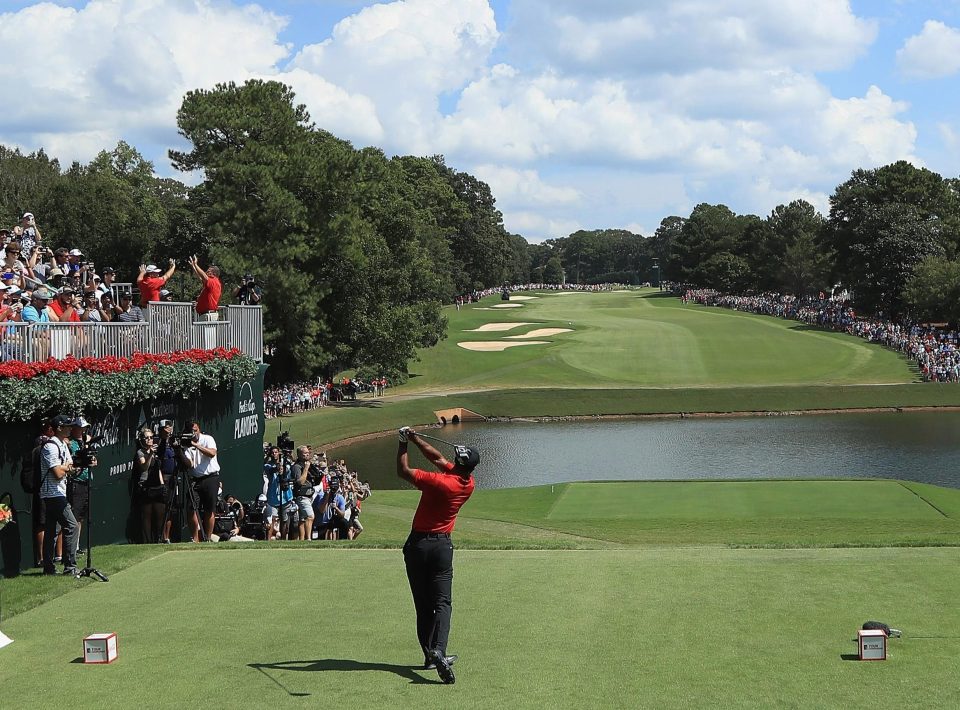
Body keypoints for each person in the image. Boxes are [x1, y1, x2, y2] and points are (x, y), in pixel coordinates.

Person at [396, 426, 480, 684]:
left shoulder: (441, 482)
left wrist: (402, 444)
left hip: (418, 547)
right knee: (443, 603)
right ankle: (438, 651)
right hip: (442, 548)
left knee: (423, 606)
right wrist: (416, 438)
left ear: (458, 463)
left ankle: (431, 654)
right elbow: (436, 458)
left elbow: (403, 472)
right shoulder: (467, 483)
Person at [40, 415, 95, 575]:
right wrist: (70, 468)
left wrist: (83, 464)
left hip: (60, 492)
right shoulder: (50, 446)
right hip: (52, 494)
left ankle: (48, 568)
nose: (71, 428)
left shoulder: (63, 445)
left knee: (52, 531)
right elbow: (57, 472)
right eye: (67, 426)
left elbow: (71, 468)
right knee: (71, 525)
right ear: (58, 428)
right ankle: (70, 567)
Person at [175, 421, 220, 542]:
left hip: (210, 477)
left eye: (195, 430)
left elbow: (212, 453)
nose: (194, 433)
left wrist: (196, 445)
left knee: (209, 509)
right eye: (191, 431)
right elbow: (189, 464)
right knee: (190, 508)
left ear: (199, 429)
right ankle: (195, 538)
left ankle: (208, 538)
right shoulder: (186, 445)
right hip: (195, 480)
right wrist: (180, 450)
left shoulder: (208, 439)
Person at [134, 426, 167, 543]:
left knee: (160, 515)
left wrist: (162, 484)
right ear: (141, 440)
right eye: (146, 438)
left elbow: (158, 469)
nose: (149, 440)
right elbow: (144, 467)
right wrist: (149, 455)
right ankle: (147, 542)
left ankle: (160, 540)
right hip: (145, 488)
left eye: (151, 437)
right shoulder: (140, 453)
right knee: (146, 518)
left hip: (157, 487)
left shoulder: (156, 451)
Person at [67, 417, 93, 556]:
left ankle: (76, 547)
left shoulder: (85, 442)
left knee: (80, 517)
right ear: (74, 428)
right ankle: (71, 548)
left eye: (85, 428)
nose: (83, 431)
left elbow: (93, 459)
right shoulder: (70, 443)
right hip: (76, 482)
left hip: (87, 481)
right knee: (74, 516)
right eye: (81, 428)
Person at [290, 445, 316, 540]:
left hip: (309, 495)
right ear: (300, 455)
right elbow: (300, 481)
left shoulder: (307, 465)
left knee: (302, 519)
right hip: (302, 496)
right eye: (305, 453)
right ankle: (308, 538)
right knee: (310, 516)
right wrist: (306, 468)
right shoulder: (297, 467)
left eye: (308, 453)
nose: (307, 455)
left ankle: (302, 540)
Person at [187, 255, 222, 320]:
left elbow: (203, 276)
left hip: (208, 315)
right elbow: (200, 277)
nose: (206, 272)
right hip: (207, 314)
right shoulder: (213, 282)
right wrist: (193, 266)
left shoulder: (213, 282)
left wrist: (196, 264)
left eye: (208, 271)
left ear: (214, 274)